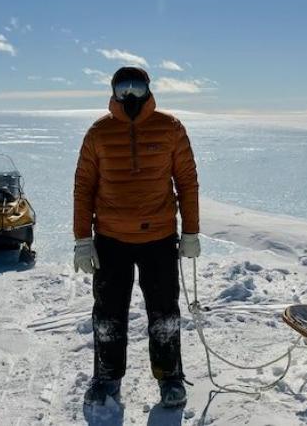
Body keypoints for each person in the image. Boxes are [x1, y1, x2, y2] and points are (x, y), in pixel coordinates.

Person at [73, 66, 200, 408]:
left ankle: (170, 377)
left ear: (148, 89)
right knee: (108, 314)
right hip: (111, 240)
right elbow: (84, 187)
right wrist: (83, 239)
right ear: (113, 92)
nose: (130, 94)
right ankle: (107, 377)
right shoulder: (98, 133)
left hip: (158, 238)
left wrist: (190, 231)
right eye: (123, 87)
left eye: (137, 86)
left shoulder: (170, 128)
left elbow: (186, 181)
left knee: (164, 313)